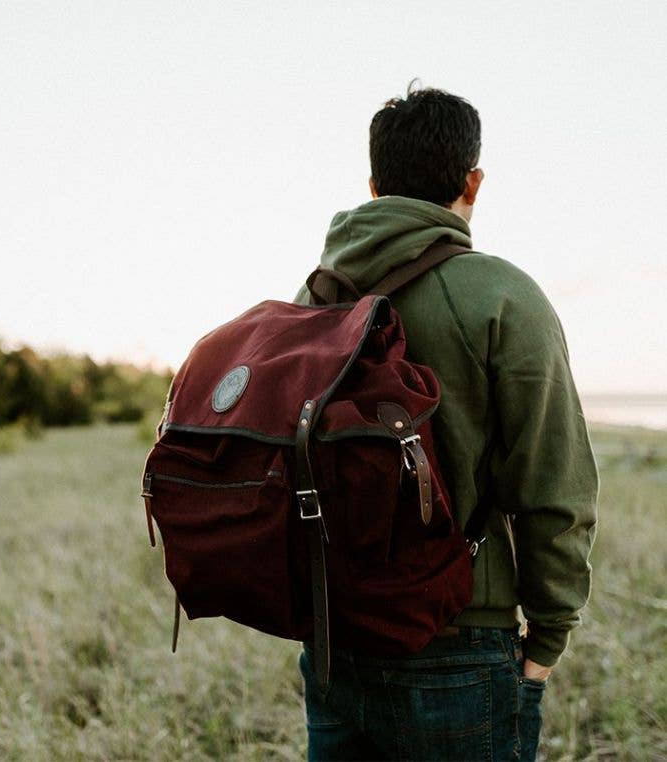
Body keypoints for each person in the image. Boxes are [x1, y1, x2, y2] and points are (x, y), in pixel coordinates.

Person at [293, 82, 599, 761]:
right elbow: (555, 488)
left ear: (375, 185)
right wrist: (545, 642)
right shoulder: (502, 295)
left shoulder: (313, 299)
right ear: (473, 181)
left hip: (334, 639)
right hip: (461, 640)